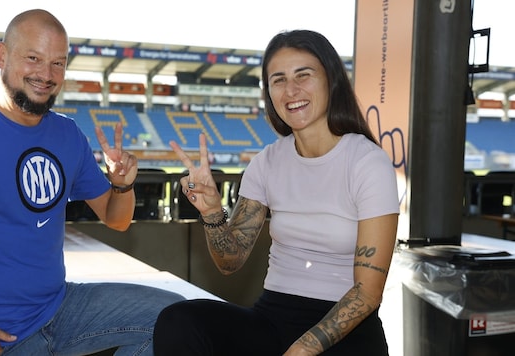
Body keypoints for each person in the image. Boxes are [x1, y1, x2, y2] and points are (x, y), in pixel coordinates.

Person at [0, 9, 183, 356]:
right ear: (2, 56)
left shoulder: (67, 133)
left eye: (58, 63)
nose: (46, 74)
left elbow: (116, 219)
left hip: (61, 308)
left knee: (179, 317)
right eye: (34, 58)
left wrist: (121, 185)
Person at [153, 29, 400, 356]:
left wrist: (303, 349)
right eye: (278, 80)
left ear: (331, 80)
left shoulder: (367, 163)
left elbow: (367, 293)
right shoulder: (266, 162)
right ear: (269, 92)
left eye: (304, 75)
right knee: (179, 319)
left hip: (346, 329)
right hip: (274, 317)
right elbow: (230, 261)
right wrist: (212, 213)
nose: (291, 90)